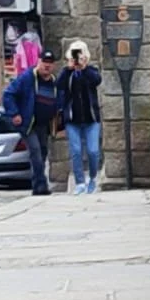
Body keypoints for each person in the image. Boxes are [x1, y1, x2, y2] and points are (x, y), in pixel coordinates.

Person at [2, 48, 61, 196]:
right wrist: (14, 113)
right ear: (38, 62)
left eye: (50, 63)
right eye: (44, 62)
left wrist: (59, 123)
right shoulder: (27, 77)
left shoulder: (54, 82)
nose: (46, 66)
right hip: (29, 124)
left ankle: (37, 184)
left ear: (53, 65)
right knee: (35, 152)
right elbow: (8, 95)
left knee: (42, 153)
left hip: (44, 125)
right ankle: (41, 187)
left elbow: (59, 102)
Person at [58, 39, 102, 194]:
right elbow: (60, 85)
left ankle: (93, 177)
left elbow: (96, 81)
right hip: (73, 120)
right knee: (76, 151)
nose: (77, 58)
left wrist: (83, 68)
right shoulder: (67, 73)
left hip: (91, 119)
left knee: (93, 151)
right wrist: (69, 69)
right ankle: (80, 182)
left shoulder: (91, 71)